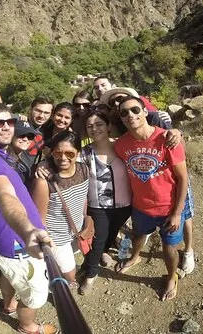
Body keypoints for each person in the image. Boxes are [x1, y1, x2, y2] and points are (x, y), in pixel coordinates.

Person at [0, 103, 57, 334]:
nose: (7, 127)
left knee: (9, 275)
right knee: (35, 293)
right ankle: (27, 326)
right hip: (19, 245)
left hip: (4, 243)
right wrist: (28, 231)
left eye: (10, 122)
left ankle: (8, 305)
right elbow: (4, 195)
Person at [114, 96, 188, 302]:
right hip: (141, 206)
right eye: (124, 113)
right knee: (138, 234)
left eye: (135, 110)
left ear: (145, 111)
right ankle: (134, 257)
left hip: (168, 207)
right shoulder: (120, 145)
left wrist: (177, 213)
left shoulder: (167, 139)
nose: (130, 115)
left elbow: (183, 178)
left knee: (169, 248)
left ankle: (171, 277)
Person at [77, 109, 132, 295]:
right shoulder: (84, 153)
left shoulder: (123, 147)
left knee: (112, 234)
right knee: (99, 239)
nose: (94, 129)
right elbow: (66, 166)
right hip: (98, 206)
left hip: (125, 205)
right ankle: (91, 275)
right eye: (89, 126)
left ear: (108, 126)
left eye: (99, 124)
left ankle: (104, 252)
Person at [30, 130, 90, 289]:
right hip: (56, 237)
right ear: (52, 153)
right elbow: (39, 220)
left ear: (78, 153)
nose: (63, 158)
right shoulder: (43, 182)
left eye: (70, 153)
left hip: (76, 230)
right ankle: (63, 287)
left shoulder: (83, 169)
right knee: (70, 273)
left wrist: (85, 218)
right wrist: (46, 244)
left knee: (71, 259)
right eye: (58, 153)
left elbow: (82, 198)